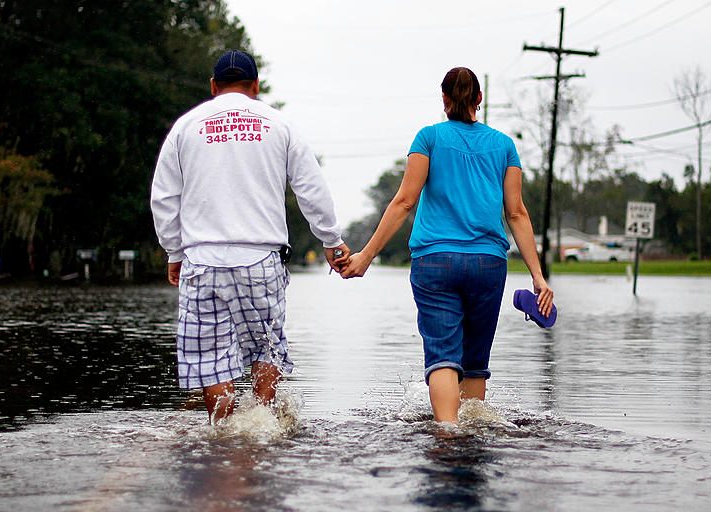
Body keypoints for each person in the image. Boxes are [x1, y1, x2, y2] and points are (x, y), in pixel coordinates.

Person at [338, 66, 553, 424]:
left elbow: (404, 202)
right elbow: (517, 213)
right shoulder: (504, 146)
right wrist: (538, 276)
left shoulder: (429, 138)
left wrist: (366, 256)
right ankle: (470, 436)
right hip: (488, 265)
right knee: (474, 363)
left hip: (435, 262)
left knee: (442, 356)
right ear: (479, 100)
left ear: (444, 100)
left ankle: (447, 433)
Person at [151, 50, 350, 423]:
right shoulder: (279, 124)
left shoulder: (186, 126)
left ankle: (225, 432)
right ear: (255, 86)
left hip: (202, 260)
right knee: (266, 348)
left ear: (213, 86)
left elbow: (163, 197)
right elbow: (311, 187)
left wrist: (173, 252)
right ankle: (262, 426)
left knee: (211, 359)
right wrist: (330, 240)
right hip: (260, 259)